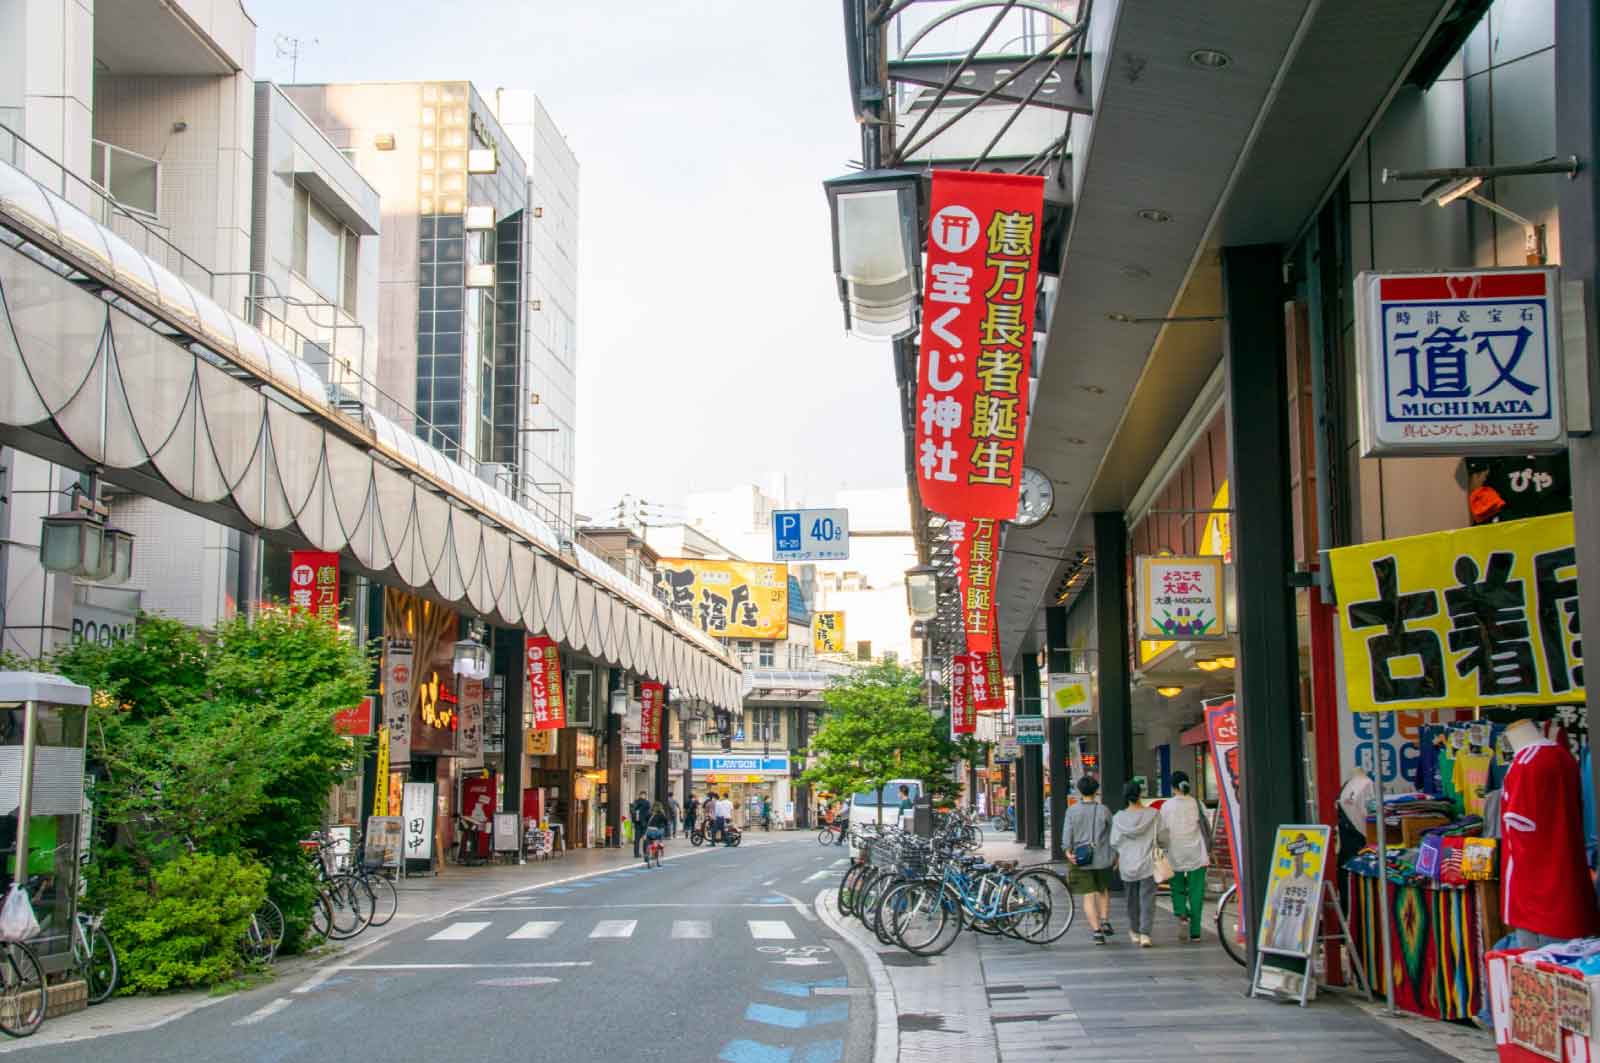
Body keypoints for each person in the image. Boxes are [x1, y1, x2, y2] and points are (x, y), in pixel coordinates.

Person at [1111, 780, 1169, 948]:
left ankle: (1134, 931)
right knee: (1147, 899)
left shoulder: (1118, 818)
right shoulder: (1153, 814)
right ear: (1140, 794)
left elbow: (1114, 842)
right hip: (1148, 863)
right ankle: (1145, 934)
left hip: (1127, 864)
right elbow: (1163, 837)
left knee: (1131, 900)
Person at [1064, 776, 1115, 944]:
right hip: (1102, 857)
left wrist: (1067, 851)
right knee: (1103, 890)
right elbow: (1113, 834)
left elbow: (1067, 836)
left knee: (1088, 895)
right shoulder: (1104, 810)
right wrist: (1116, 855)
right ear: (1096, 791)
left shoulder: (1072, 811)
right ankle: (1105, 920)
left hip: (1081, 858)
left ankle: (1096, 931)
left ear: (1079, 790)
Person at [1160, 771, 1210, 943]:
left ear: (1173, 787)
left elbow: (1162, 831)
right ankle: (1195, 932)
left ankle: (1182, 913)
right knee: (1196, 892)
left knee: (1177, 889)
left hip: (1175, 853)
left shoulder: (1166, 806)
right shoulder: (1197, 803)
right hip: (1197, 852)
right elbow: (1206, 827)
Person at [630, 793, 651, 858]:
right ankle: (645, 852)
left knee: (637, 839)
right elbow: (648, 813)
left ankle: (636, 854)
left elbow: (632, 811)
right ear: (644, 796)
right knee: (645, 838)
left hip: (637, 823)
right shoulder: (647, 803)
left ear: (639, 795)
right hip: (644, 823)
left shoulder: (635, 802)